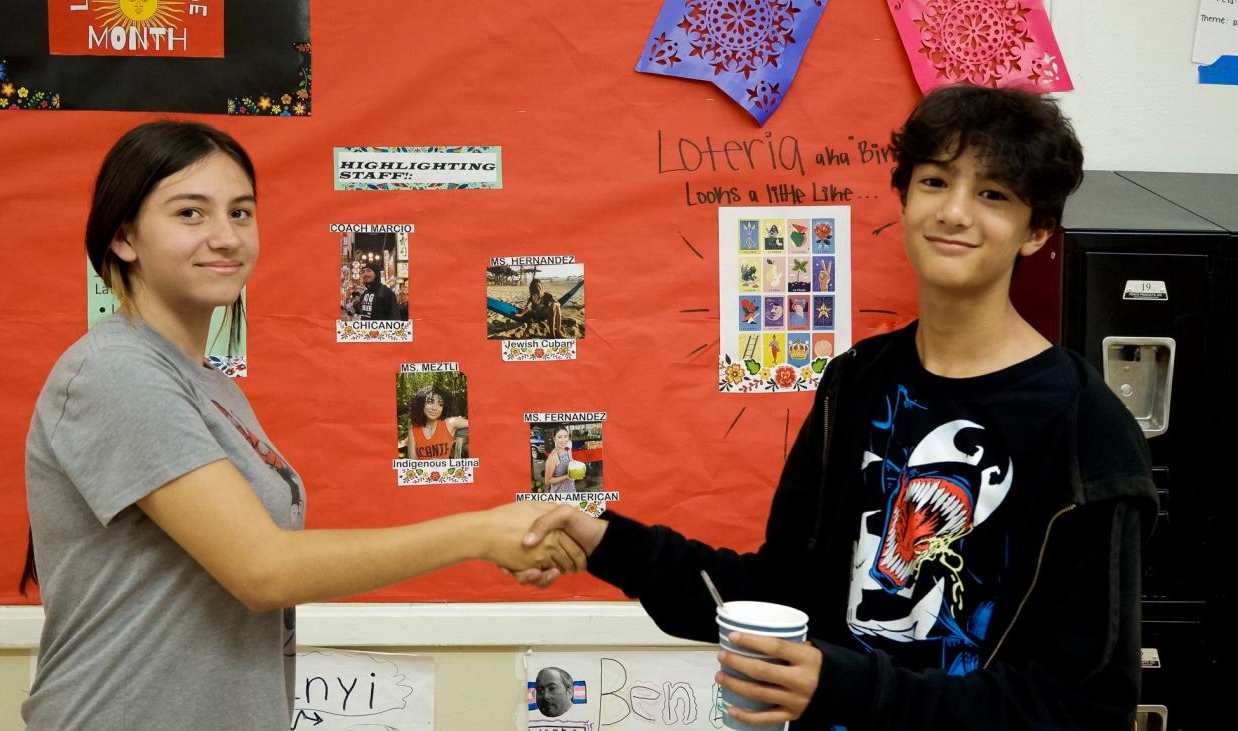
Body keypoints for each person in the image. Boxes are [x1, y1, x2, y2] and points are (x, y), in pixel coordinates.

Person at [518, 85, 1157, 731]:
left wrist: (851, 689)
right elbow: (780, 589)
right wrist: (608, 543)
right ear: (905, 199)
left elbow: (1085, 708)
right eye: (935, 181)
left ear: (1036, 230)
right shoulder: (857, 380)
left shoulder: (1088, 430)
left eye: (994, 194)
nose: (956, 212)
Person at [21, 121, 582, 730]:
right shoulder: (116, 373)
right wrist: (478, 533)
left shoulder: (208, 384)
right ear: (124, 236)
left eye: (240, 213)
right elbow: (264, 571)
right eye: (190, 213)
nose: (225, 237)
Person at [405, 384, 469, 460]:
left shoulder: (450, 423)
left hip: (446, 471)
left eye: (440, 404)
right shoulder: (413, 429)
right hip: (423, 471)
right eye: (430, 402)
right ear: (421, 404)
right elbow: (413, 462)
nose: (435, 408)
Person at [542, 426, 578, 494]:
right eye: (559, 437)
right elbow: (547, 481)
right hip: (559, 494)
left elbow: (571, 459)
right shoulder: (552, 457)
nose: (563, 440)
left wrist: (574, 464)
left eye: (565, 436)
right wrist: (566, 476)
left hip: (572, 490)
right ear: (554, 439)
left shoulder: (567, 449)